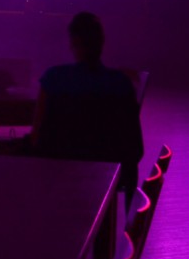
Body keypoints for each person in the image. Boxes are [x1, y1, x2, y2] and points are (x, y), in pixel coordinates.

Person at [33, 11, 144, 204]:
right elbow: (135, 149)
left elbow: (37, 138)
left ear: (73, 42)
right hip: (106, 180)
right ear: (102, 42)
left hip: (58, 180)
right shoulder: (121, 84)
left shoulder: (53, 79)